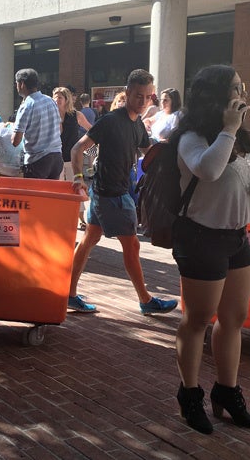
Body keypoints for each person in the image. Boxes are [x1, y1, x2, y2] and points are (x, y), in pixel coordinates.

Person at [171, 65, 250, 434]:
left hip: (237, 237)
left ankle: (227, 391)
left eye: (242, 87)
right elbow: (208, 171)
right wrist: (228, 129)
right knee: (197, 321)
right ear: (214, 96)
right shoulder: (192, 137)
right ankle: (189, 394)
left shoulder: (238, 137)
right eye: (235, 88)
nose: (242, 94)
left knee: (234, 319)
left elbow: (238, 180)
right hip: (201, 237)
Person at [67, 69, 178, 315]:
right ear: (127, 93)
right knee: (132, 246)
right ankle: (145, 300)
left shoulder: (136, 122)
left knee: (88, 241)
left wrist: (172, 149)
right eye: (138, 96)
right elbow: (78, 149)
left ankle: (69, 293)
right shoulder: (110, 121)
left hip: (108, 192)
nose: (143, 101)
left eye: (148, 97)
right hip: (110, 195)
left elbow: (148, 149)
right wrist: (78, 178)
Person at [11, 69, 63, 179]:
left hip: (37, 161)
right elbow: (60, 128)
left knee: (33, 196)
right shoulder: (50, 100)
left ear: (22, 84)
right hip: (57, 158)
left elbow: (15, 141)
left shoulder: (26, 106)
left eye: (16, 83)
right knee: (50, 195)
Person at [53, 87, 92, 228]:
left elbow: (91, 129)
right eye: (55, 97)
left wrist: (86, 144)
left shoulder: (76, 115)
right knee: (57, 188)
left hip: (72, 158)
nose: (56, 100)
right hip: (55, 158)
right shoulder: (50, 115)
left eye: (60, 97)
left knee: (75, 187)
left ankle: (81, 218)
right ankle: (58, 217)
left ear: (66, 99)